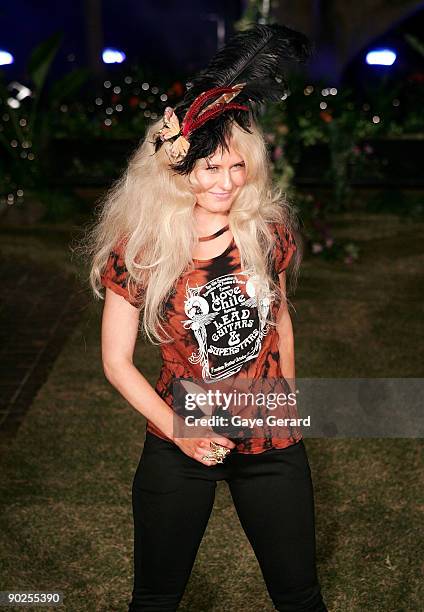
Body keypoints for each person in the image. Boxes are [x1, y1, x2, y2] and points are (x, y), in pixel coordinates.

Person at [87, 23, 328, 612]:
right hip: (180, 432)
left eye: (237, 167)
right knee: (155, 599)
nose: (226, 183)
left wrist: (288, 401)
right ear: (177, 167)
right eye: (210, 168)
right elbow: (116, 361)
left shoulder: (266, 234)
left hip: (270, 435)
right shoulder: (141, 247)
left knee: (300, 597)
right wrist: (181, 433)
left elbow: (281, 322)